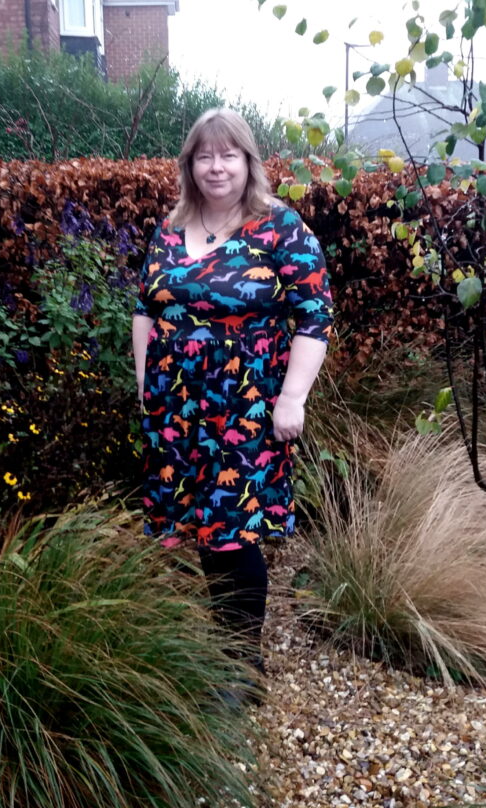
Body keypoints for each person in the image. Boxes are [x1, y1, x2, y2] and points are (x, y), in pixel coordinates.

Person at [132, 107, 333, 702]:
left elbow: (315, 316)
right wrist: (147, 388)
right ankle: (227, 654)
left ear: (248, 162)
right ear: (189, 165)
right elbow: (147, 308)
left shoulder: (280, 229)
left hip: (243, 410)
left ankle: (242, 674)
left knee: (232, 533)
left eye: (228, 155)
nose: (216, 167)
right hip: (175, 413)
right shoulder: (170, 229)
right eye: (204, 155)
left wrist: (292, 398)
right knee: (202, 531)